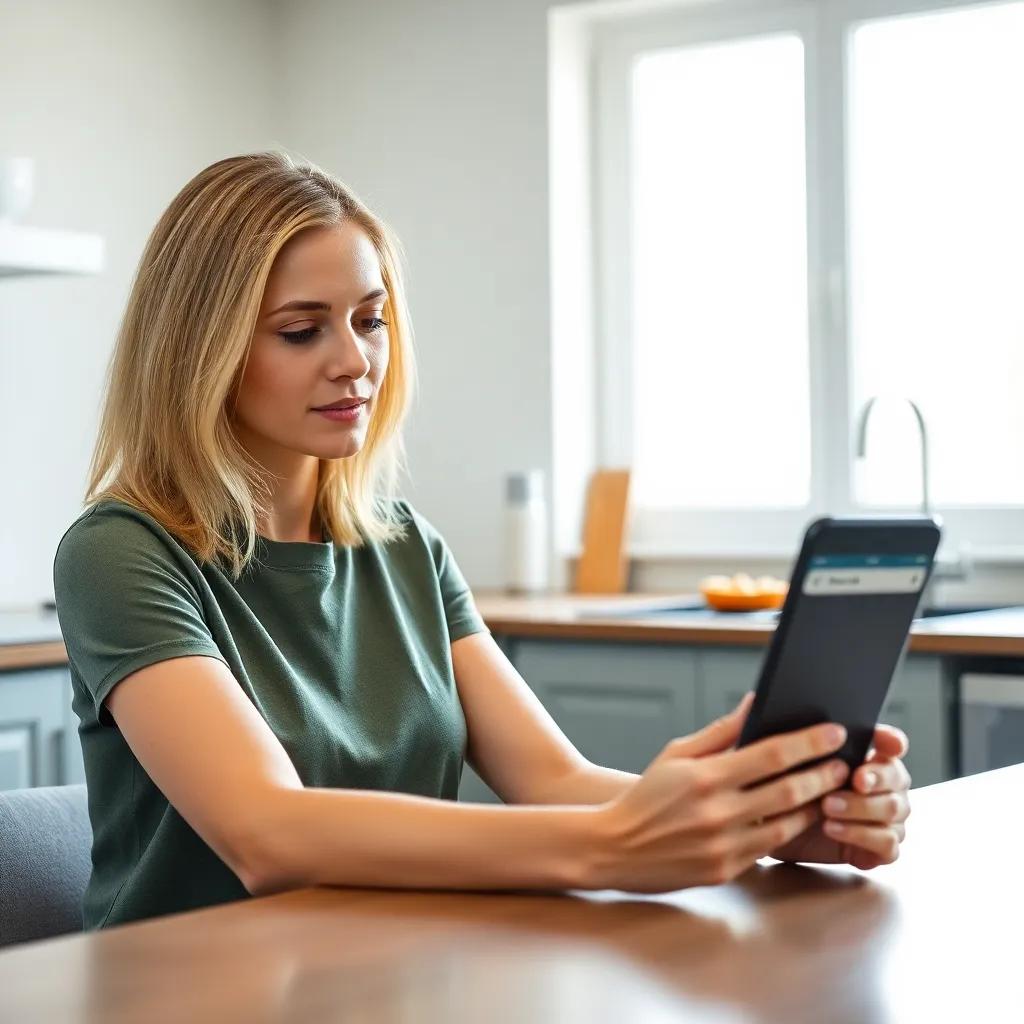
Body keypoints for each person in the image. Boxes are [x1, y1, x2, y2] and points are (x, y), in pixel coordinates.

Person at [53, 152, 911, 930]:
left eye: (371, 320)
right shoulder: (122, 552)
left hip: (389, 975)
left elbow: (557, 782)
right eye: (301, 329)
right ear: (201, 350)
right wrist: (618, 845)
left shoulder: (404, 548)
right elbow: (268, 831)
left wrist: (780, 822)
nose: (355, 360)